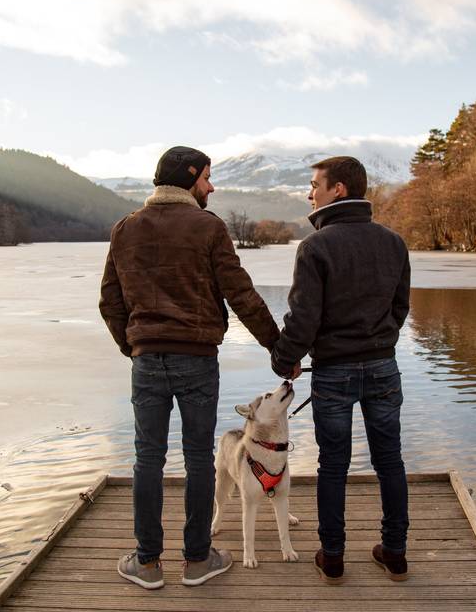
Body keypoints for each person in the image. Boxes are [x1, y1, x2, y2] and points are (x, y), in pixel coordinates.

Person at [100, 146, 280, 589]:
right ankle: (198, 560)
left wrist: (135, 345)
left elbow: (110, 301)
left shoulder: (126, 228)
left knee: (148, 459)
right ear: (190, 177)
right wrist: (280, 350)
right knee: (199, 459)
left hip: (146, 362)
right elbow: (241, 295)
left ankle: (147, 564)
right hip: (197, 360)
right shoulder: (207, 227)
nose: (212, 187)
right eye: (207, 179)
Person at [270, 156, 411, 584]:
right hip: (383, 367)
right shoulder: (394, 242)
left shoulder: (315, 247)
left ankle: (332, 557)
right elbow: (400, 307)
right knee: (390, 461)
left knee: (334, 465)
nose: (310, 193)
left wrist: (285, 358)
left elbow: (303, 317)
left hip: (334, 371)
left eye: (316, 185)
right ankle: (395, 553)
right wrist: (379, 340)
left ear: (340, 189)